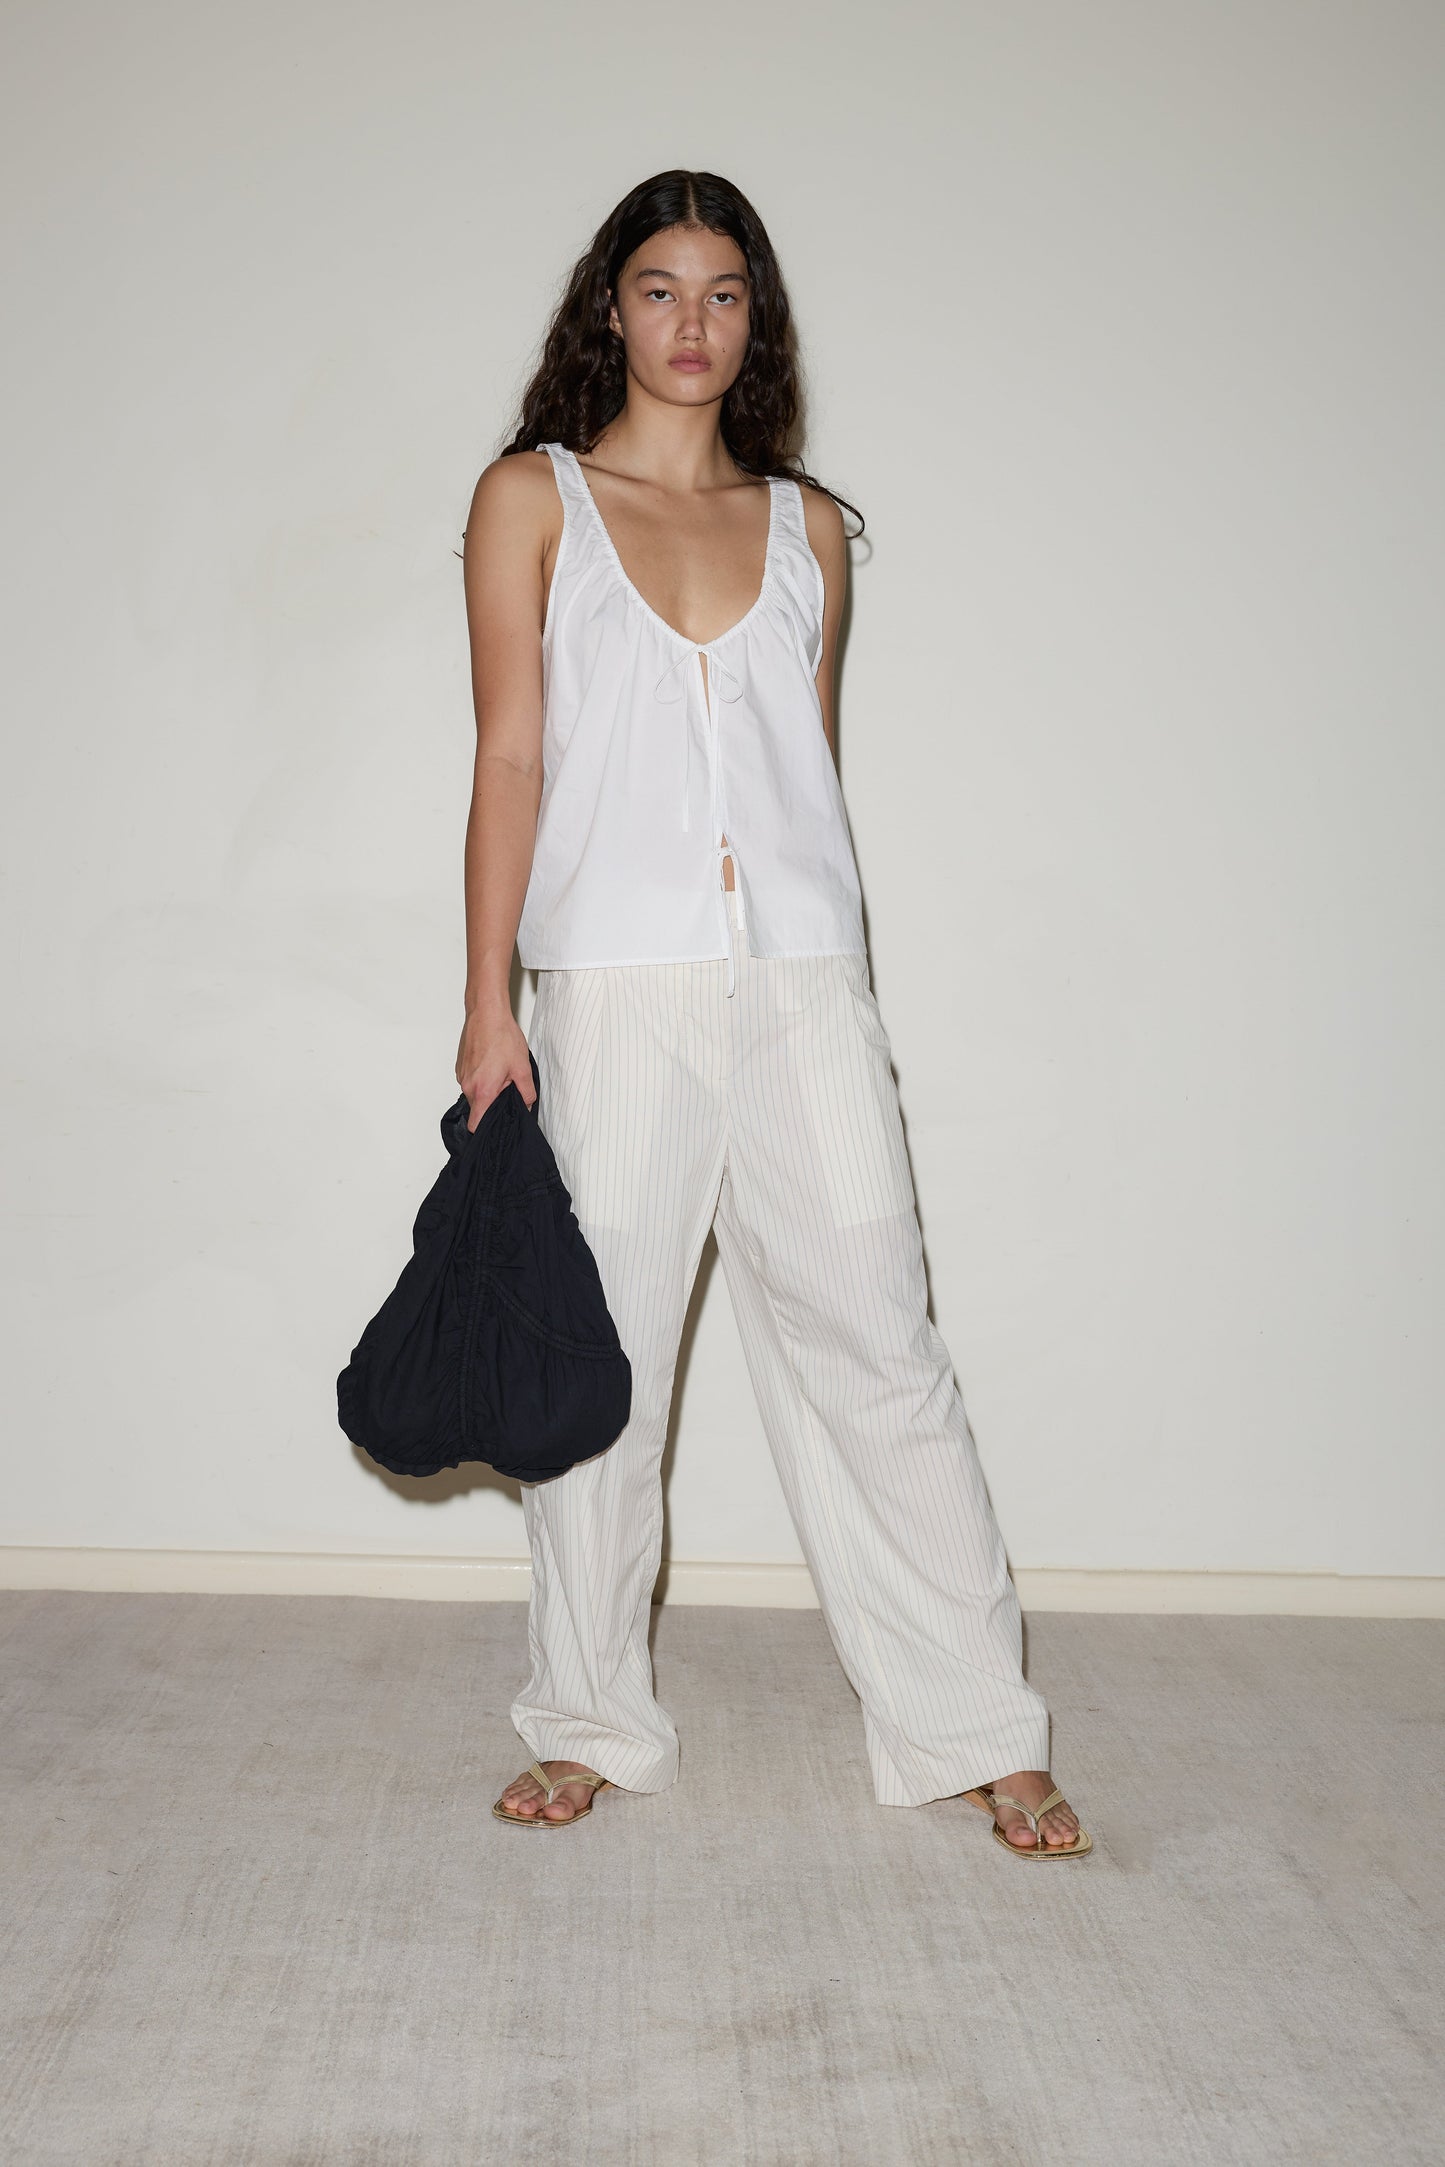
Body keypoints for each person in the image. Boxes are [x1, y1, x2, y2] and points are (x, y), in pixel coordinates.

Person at [456, 169, 1089, 1858]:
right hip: (610, 989)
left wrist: (844, 985)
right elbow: (511, 754)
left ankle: (972, 1724)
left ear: (758, 320)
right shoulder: (533, 499)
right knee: (601, 1379)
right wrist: (485, 1001)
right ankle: (587, 1715)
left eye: (723, 293)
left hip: (805, 989)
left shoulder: (810, 527)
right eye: (658, 289)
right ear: (611, 307)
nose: (689, 324)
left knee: (884, 1349)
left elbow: (804, 777)